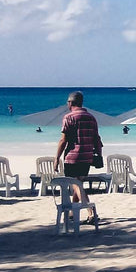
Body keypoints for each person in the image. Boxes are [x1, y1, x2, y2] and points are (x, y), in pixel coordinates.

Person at [53, 91, 102, 224]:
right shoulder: (91, 118)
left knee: (75, 184)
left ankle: (91, 213)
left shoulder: (69, 117)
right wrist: (99, 154)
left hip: (72, 157)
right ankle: (71, 214)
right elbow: (97, 138)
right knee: (78, 183)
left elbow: (63, 140)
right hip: (87, 156)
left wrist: (57, 158)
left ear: (70, 103)